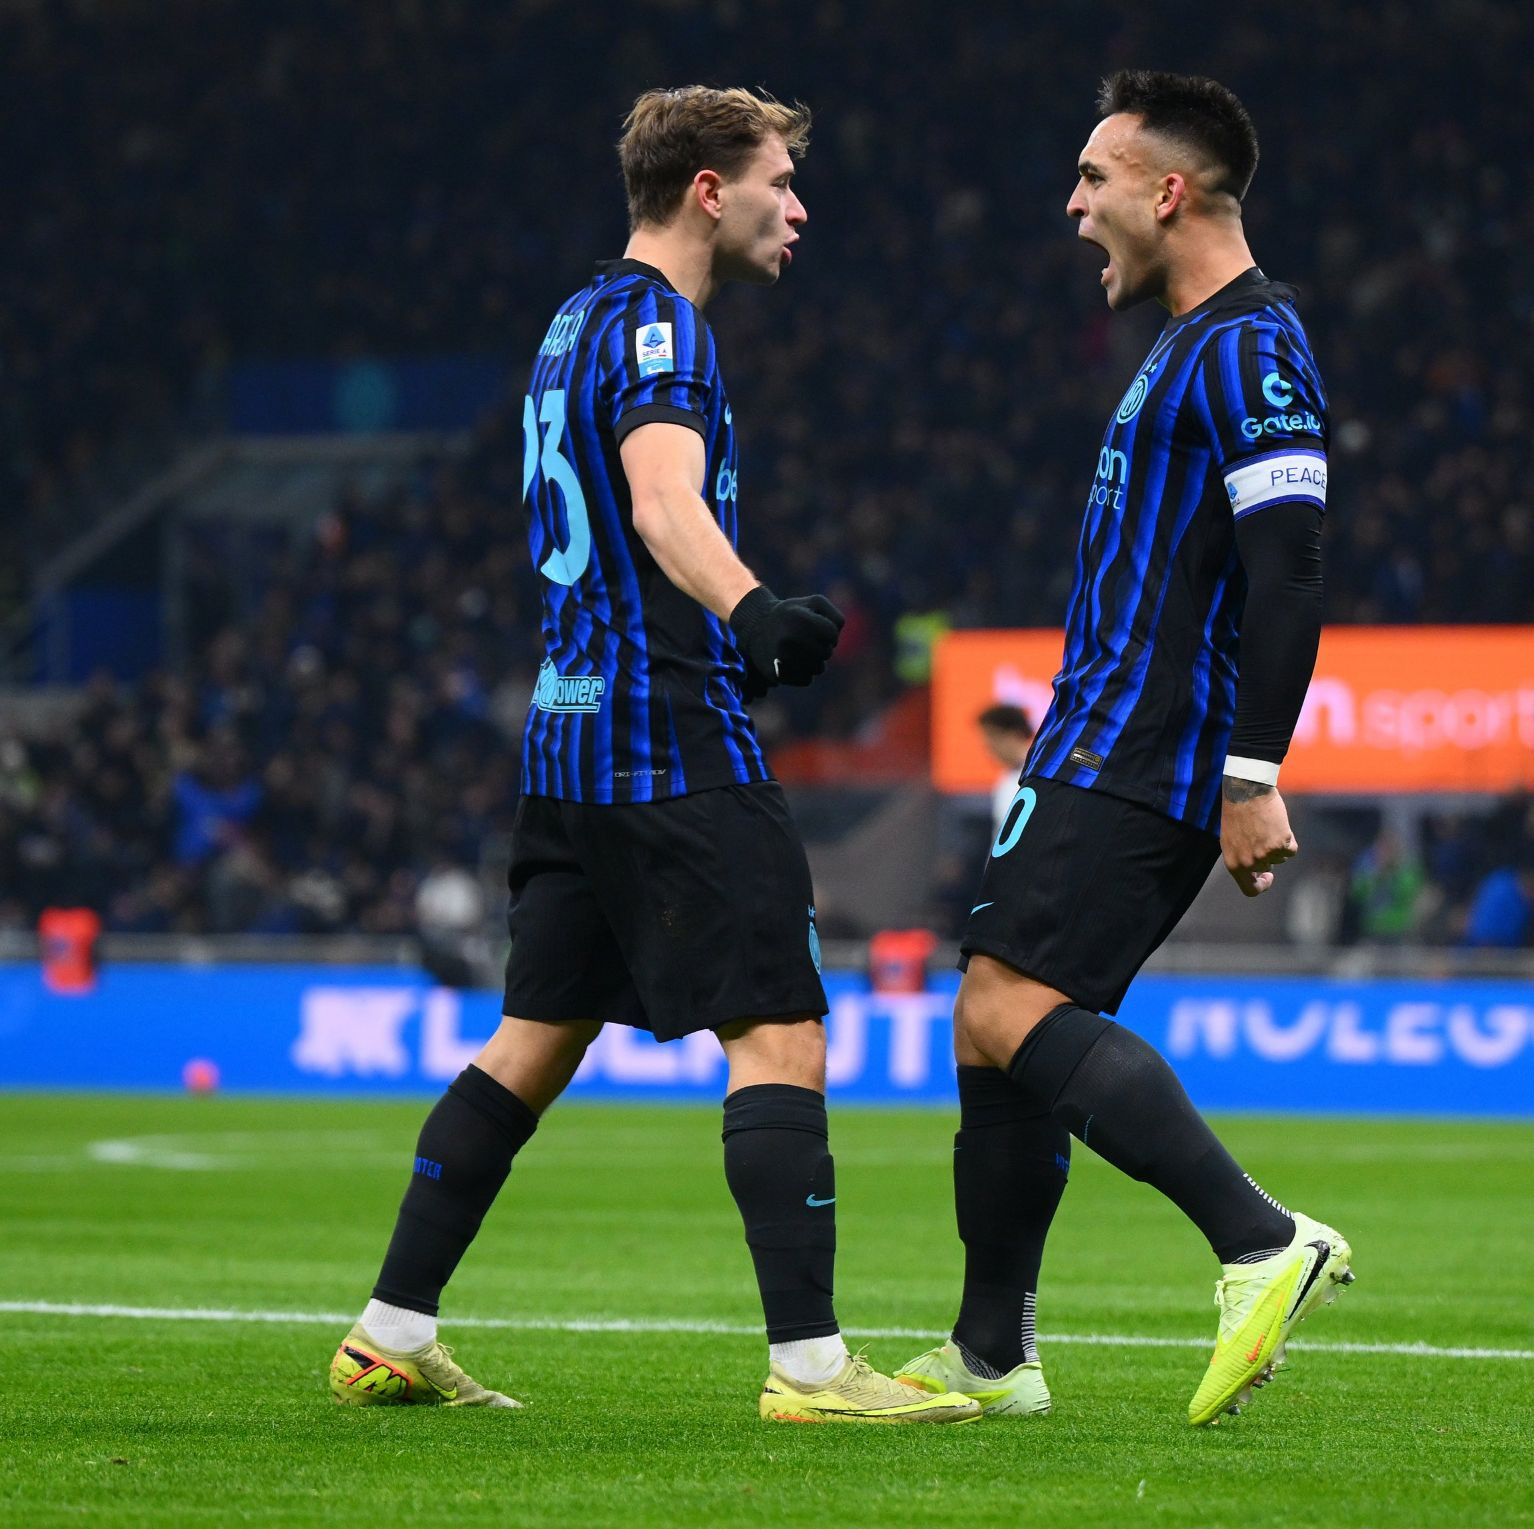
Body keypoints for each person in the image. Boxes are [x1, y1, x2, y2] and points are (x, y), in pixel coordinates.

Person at [327, 85, 977, 1426]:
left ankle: (389, 1329)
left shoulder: (574, 320)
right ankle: (811, 1368)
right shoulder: (664, 328)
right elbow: (661, 499)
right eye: (779, 182)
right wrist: (755, 612)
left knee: (532, 1039)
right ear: (706, 190)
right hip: (668, 733)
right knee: (781, 1029)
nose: (798, 208)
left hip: (566, 738)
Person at [895, 71, 1351, 1426]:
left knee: (1007, 1007)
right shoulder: (1181, 341)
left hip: (1146, 743)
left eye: (1094, 177)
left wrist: (1252, 770)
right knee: (990, 1023)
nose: (1074, 204)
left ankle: (1260, 1239)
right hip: (1092, 731)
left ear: (1169, 190)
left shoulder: (1254, 347)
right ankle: (991, 1350)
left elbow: (1290, 570)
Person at [977, 702, 1036, 843]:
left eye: (993, 736)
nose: (988, 745)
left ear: (1015, 734)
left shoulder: (1038, 776)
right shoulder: (1004, 780)